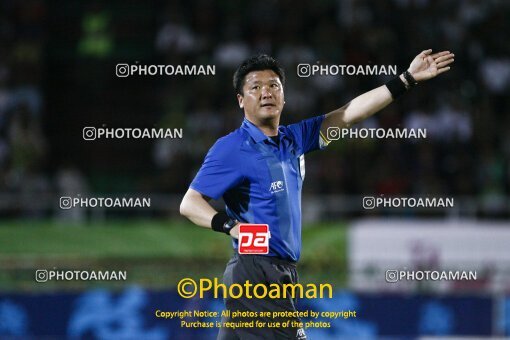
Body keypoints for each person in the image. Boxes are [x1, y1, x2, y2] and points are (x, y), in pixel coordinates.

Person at [180, 50, 454, 339]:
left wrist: (407, 79)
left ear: (284, 96)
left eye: (274, 85)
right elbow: (190, 203)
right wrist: (231, 226)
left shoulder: (294, 138)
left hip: (274, 273)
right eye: (255, 87)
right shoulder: (232, 148)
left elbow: (348, 114)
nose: (266, 93)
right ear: (241, 100)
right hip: (257, 271)